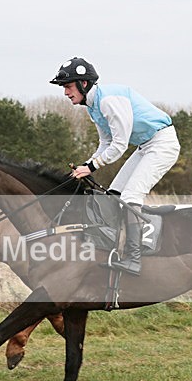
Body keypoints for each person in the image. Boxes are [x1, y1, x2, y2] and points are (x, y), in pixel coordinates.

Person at [51, 57, 180, 276]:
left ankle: (133, 259)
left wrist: (91, 167)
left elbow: (119, 145)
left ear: (84, 84)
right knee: (114, 195)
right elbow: (106, 144)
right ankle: (116, 247)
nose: (65, 93)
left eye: (69, 86)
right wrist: (85, 165)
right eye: (64, 88)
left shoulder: (108, 101)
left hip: (162, 144)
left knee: (130, 197)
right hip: (144, 146)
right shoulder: (93, 107)